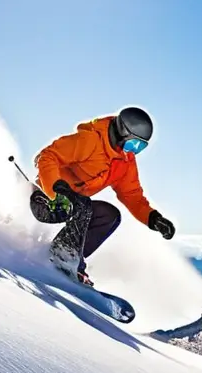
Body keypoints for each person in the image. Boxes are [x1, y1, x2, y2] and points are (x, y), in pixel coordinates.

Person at [29, 106, 175, 286]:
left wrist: (153, 218)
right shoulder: (90, 141)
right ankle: (64, 256)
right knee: (82, 206)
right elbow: (48, 156)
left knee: (110, 215)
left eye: (140, 147)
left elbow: (132, 195)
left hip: (74, 205)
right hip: (47, 200)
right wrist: (56, 190)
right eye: (133, 144)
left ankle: (69, 257)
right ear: (122, 132)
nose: (133, 151)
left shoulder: (124, 162)